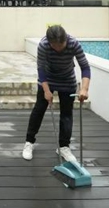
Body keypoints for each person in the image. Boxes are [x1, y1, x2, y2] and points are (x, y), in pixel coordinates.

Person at [22, 24, 90, 162]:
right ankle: (29, 142)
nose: (59, 48)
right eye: (55, 46)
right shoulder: (43, 45)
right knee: (39, 109)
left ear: (65, 39)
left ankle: (63, 146)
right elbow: (41, 70)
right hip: (48, 78)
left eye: (61, 45)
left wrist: (84, 89)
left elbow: (85, 67)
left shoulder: (73, 43)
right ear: (50, 43)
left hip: (67, 79)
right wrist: (46, 91)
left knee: (66, 113)